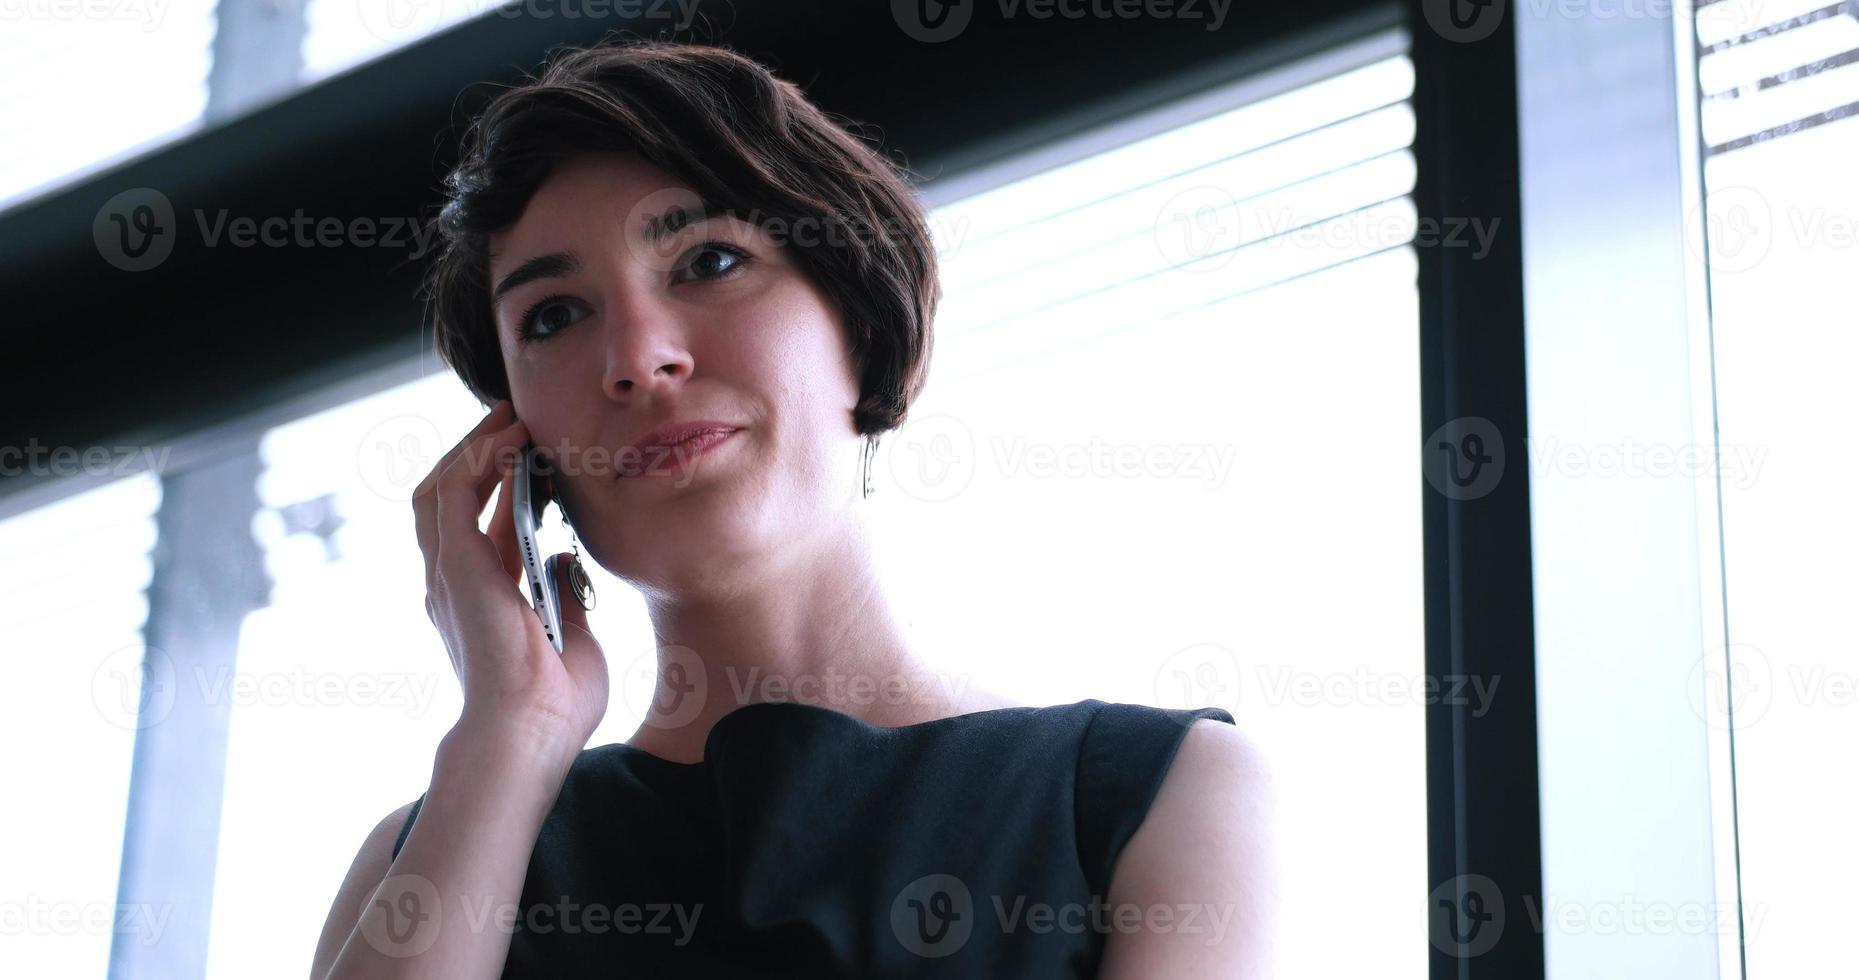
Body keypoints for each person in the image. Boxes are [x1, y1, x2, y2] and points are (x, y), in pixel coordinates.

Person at [310, 37, 1276, 979]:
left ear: (861, 319)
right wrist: (505, 737)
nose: (638, 358)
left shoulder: (1151, 795)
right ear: (516, 448)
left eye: (709, 262)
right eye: (553, 316)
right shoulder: (431, 859)